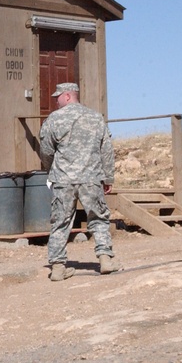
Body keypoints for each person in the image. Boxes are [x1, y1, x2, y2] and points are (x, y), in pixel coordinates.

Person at [38, 82, 119, 281]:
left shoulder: (54, 119)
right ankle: (105, 259)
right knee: (98, 219)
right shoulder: (95, 118)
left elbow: (46, 151)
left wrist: (52, 171)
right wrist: (107, 177)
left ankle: (57, 267)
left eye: (58, 97)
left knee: (60, 222)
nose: (56, 101)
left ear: (67, 96)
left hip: (63, 179)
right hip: (91, 178)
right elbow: (106, 150)